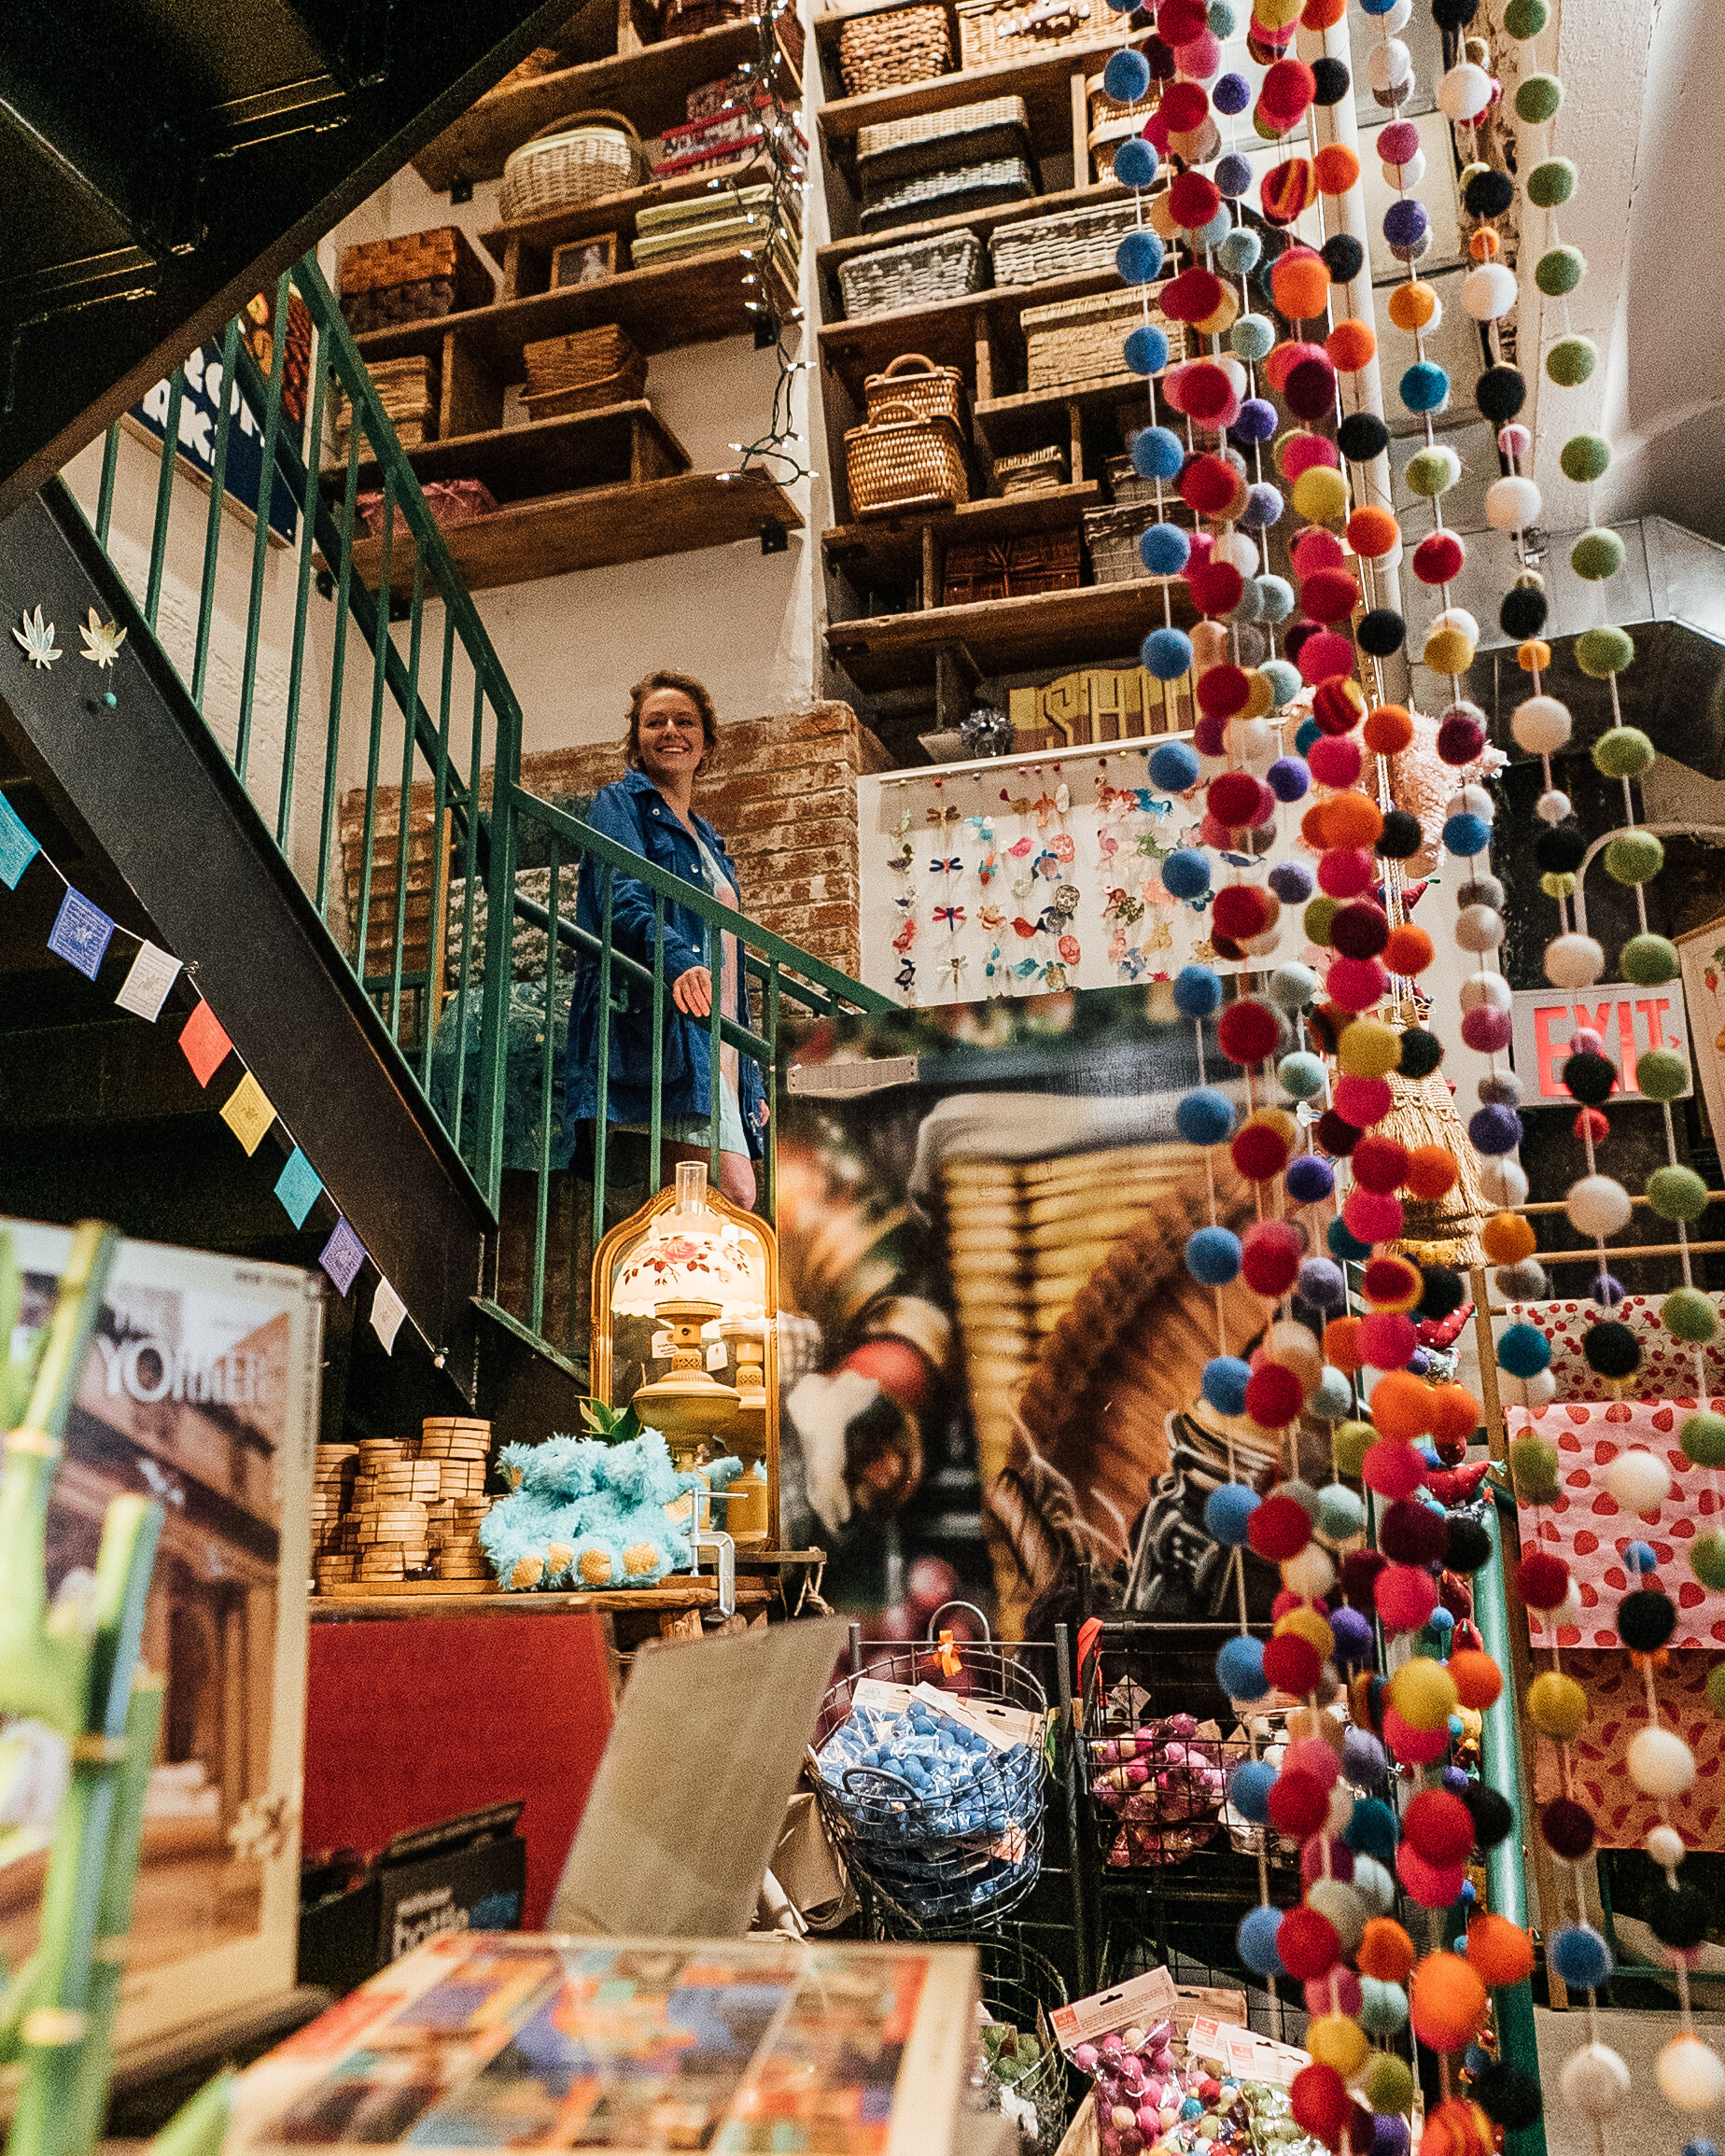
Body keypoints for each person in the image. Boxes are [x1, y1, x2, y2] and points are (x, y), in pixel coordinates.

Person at [566, 671, 766, 1208]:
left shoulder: (710, 841)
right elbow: (621, 895)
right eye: (655, 722)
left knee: (731, 1196)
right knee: (710, 1197)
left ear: (706, 742)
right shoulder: (620, 804)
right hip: (664, 1022)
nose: (671, 730)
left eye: (685, 721)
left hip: (716, 1035)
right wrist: (676, 959)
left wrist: (750, 1077)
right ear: (636, 739)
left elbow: (729, 964)